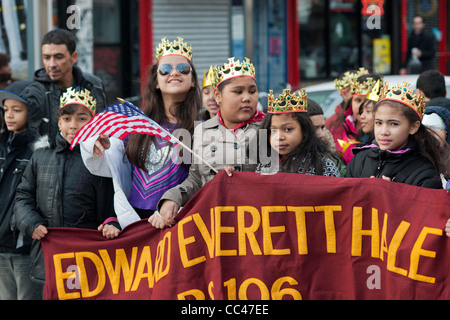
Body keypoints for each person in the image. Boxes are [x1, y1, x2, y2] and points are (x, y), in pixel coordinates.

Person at [80, 37, 201, 227]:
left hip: (175, 224)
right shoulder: (136, 124)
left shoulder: (202, 130)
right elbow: (110, 168)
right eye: (166, 69)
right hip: (135, 225)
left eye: (184, 69)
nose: (175, 73)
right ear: (156, 82)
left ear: (193, 80)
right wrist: (95, 143)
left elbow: (201, 184)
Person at [13, 88, 119, 298]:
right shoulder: (41, 157)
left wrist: (111, 222)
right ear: (59, 122)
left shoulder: (100, 160)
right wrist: (31, 223)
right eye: (67, 118)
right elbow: (22, 196)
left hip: (86, 258)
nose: (73, 125)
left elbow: (112, 203)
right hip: (46, 256)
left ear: (92, 121)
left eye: (81, 118)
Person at [151, 57, 265, 229]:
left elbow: (278, 179)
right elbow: (196, 179)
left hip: (254, 222)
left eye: (252, 91)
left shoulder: (268, 129)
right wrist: (172, 197)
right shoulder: (202, 131)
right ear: (218, 96)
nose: (247, 98)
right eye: (238, 92)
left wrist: (242, 179)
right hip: (212, 223)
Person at [345, 82, 444, 189]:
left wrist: (393, 195)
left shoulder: (425, 174)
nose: (384, 131)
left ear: (413, 127)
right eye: (379, 123)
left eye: (393, 124)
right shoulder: (359, 160)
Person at [0, 81, 44, 300]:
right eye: (6, 109)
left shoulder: (39, 150)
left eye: (17, 110)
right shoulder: (2, 145)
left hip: (24, 247)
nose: (9, 115)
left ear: (33, 112)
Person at [34, 28, 107, 147]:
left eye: (58, 57)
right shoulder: (35, 91)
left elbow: (101, 127)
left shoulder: (94, 85)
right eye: (47, 57)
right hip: (47, 163)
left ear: (74, 57)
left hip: (86, 159)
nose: (52, 64)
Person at [254, 89, 339, 177]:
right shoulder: (265, 165)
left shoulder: (323, 167)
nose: (279, 137)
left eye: (288, 129)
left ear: (305, 131)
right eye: (273, 131)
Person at [329, 73, 381, 165]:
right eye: (358, 100)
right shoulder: (335, 125)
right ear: (351, 101)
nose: (361, 107)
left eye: (367, 102)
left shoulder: (384, 135)